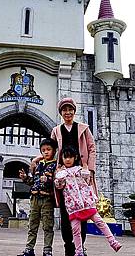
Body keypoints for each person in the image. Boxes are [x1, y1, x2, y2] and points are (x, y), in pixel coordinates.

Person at [55, 146, 122, 256]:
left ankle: (113, 241)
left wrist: (85, 166)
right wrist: (59, 175)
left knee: (100, 222)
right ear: (61, 158)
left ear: (75, 157)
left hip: (87, 204)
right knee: (76, 231)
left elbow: (87, 176)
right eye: (65, 157)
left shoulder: (80, 170)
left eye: (70, 157)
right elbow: (59, 186)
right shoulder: (63, 174)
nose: (67, 160)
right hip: (73, 207)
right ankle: (79, 251)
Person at [52, 97, 96, 256]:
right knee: (65, 213)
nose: (68, 112)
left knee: (83, 212)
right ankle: (68, 247)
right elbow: (51, 151)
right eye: (64, 110)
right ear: (61, 113)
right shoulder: (56, 130)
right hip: (64, 177)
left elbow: (92, 148)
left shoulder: (83, 128)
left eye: (70, 109)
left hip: (81, 176)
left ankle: (80, 248)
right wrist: (41, 162)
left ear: (74, 111)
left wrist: (89, 169)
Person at [17, 138, 58, 256]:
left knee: (48, 226)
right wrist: (25, 178)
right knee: (32, 225)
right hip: (34, 198)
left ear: (54, 150)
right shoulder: (39, 165)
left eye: (48, 149)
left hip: (47, 199)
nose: (46, 152)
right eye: (43, 150)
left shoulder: (56, 165)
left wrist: (49, 180)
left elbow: (58, 182)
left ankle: (47, 251)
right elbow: (33, 182)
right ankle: (29, 249)